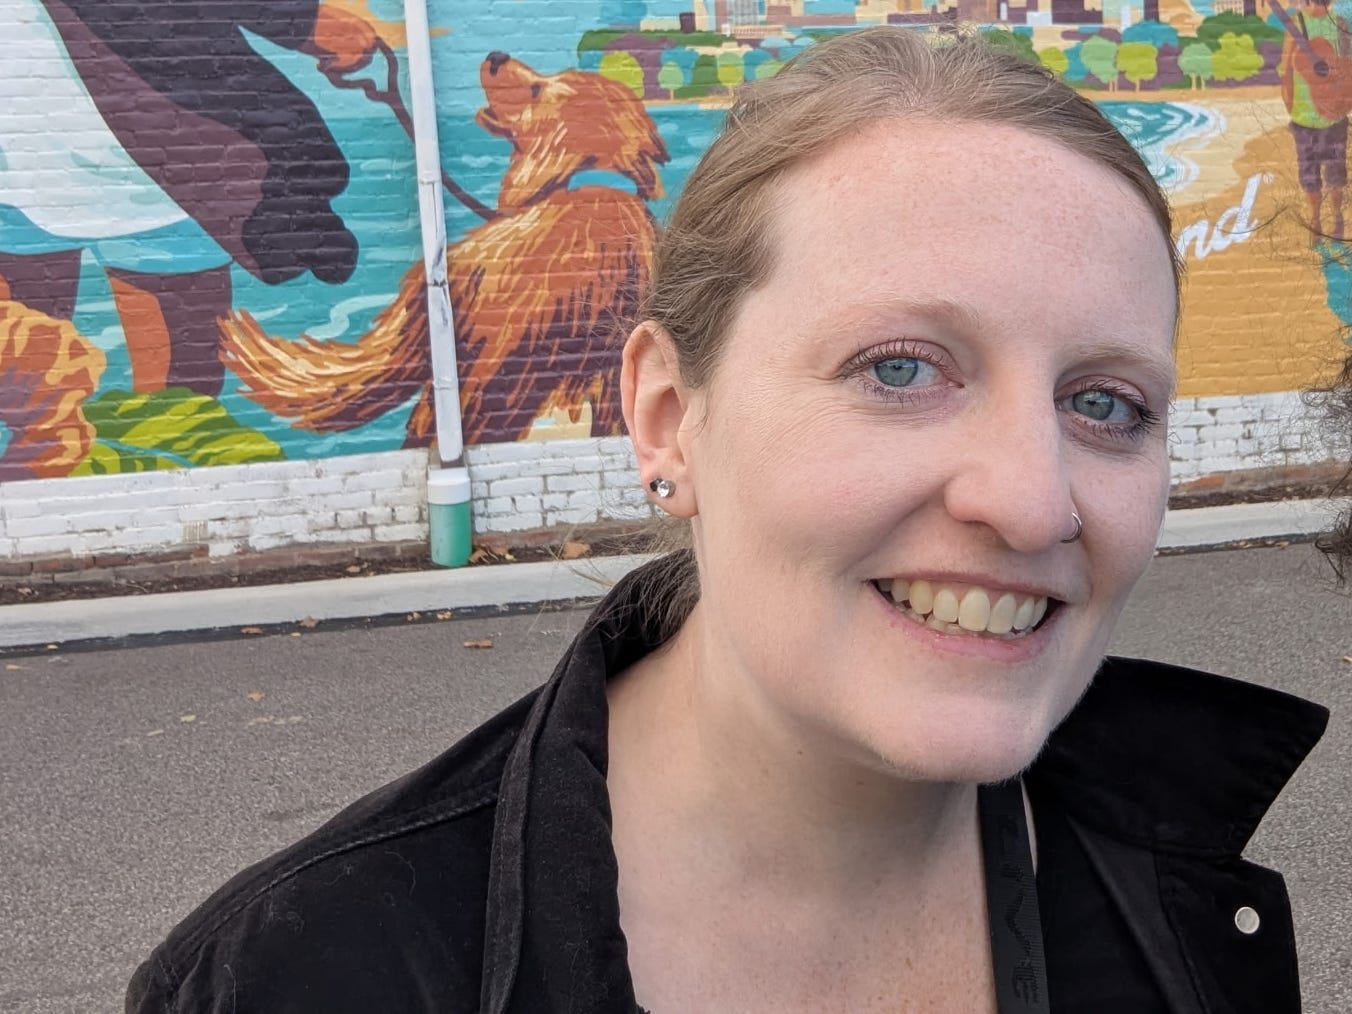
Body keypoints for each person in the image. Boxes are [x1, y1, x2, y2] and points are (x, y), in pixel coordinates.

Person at [126, 28, 1328, 1013]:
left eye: (1105, 403)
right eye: (899, 369)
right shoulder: (301, 974)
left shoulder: (1181, 912)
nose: (1029, 501)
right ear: (665, 418)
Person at [1277, 0, 1352, 243]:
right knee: (1331, 173)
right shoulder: (1302, 25)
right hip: (1318, 116)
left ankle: (1323, 218)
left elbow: (1285, 72)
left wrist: (1290, 103)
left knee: (1317, 174)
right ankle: (1325, 218)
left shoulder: (1338, 25)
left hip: (1320, 116)